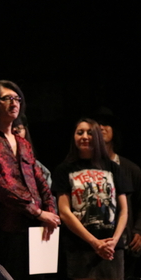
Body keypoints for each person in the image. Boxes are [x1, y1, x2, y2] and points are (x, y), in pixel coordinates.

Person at [0, 80, 59, 280]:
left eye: (17, 98)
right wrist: (38, 212)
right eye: (7, 98)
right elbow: (2, 187)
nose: (14, 103)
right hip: (9, 231)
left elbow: (41, 182)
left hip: (38, 229)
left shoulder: (23, 143)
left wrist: (51, 214)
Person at [52, 118, 129, 280]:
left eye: (90, 133)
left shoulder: (113, 168)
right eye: (80, 133)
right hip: (79, 247)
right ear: (74, 137)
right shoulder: (64, 170)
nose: (85, 136)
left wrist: (114, 241)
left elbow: (123, 210)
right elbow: (64, 212)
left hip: (112, 248)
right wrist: (94, 242)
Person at [94, 108, 141, 279]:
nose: (101, 128)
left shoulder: (130, 169)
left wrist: (139, 230)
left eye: (106, 124)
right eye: (97, 124)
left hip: (124, 242)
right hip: (94, 241)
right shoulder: (84, 168)